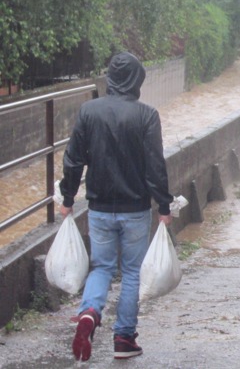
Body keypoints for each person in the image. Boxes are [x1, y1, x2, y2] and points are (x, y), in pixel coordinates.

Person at [58, 52, 173, 362]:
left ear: (110, 78)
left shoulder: (88, 111)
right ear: (137, 80)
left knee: (102, 267)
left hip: (98, 207)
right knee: (132, 272)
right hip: (135, 208)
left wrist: (68, 199)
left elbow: (73, 160)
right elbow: (155, 167)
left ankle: (90, 312)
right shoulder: (147, 115)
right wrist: (164, 205)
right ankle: (123, 338)